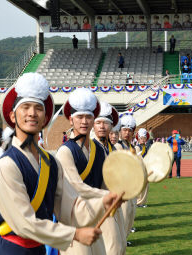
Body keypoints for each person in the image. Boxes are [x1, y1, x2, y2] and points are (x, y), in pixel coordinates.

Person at [0, 73, 120, 255]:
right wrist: (74, 235)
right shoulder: (6, 165)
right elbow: (24, 223)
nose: (32, 113)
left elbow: (70, 208)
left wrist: (104, 202)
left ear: (45, 118)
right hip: (12, 249)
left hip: (40, 248)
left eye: (38, 108)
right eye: (25, 107)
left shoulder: (51, 162)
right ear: (13, 116)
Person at [56, 92, 126, 255]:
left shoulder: (99, 151)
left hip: (96, 216)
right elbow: (75, 186)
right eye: (79, 117)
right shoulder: (65, 151)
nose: (84, 121)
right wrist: (108, 195)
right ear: (71, 119)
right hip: (74, 220)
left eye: (88, 117)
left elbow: (105, 181)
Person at [113, 114, 138, 245]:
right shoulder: (118, 146)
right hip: (122, 188)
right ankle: (121, 240)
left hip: (131, 187)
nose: (127, 133)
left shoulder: (130, 146)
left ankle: (124, 239)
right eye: (124, 130)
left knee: (130, 215)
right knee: (124, 215)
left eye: (130, 131)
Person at [135, 128, 150, 208]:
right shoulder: (137, 147)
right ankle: (138, 202)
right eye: (141, 138)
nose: (143, 140)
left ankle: (142, 202)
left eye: (144, 138)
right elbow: (139, 158)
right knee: (140, 187)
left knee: (145, 187)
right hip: (139, 169)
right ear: (138, 139)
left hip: (145, 169)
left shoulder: (145, 147)